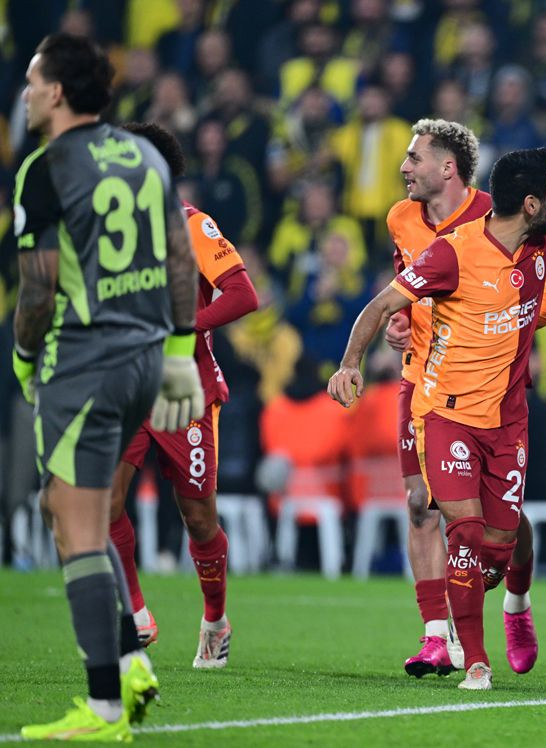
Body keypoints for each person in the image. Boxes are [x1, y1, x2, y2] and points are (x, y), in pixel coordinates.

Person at [330, 147, 546, 690]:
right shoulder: (452, 253)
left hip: (507, 420)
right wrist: (349, 364)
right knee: (465, 534)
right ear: (531, 204)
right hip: (447, 416)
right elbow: (381, 305)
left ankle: (515, 601)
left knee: (497, 550)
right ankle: (474, 661)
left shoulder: (541, 240)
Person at [12, 33, 203, 740]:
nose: (26, 93)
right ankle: (130, 663)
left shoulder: (45, 167)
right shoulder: (143, 154)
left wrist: (24, 356)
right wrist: (178, 353)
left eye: (33, 81)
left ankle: (104, 706)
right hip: (146, 359)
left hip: (84, 359)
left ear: (58, 92)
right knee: (67, 509)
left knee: (77, 523)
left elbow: (38, 288)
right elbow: (180, 256)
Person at [381, 119, 546, 679]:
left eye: (414, 158)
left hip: (491, 389)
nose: (404, 167)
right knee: (421, 503)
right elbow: (405, 286)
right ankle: (438, 636)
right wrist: (404, 321)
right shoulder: (400, 218)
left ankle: (516, 599)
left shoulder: (500, 214)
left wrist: (479, 328)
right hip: (423, 381)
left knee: (498, 526)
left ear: (448, 167)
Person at [107, 122, 259, 668]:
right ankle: (136, 613)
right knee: (104, 503)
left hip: (185, 390)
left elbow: (243, 294)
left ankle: (215, 620)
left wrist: (185, 325)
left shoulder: (193, 225)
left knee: (198, 518)